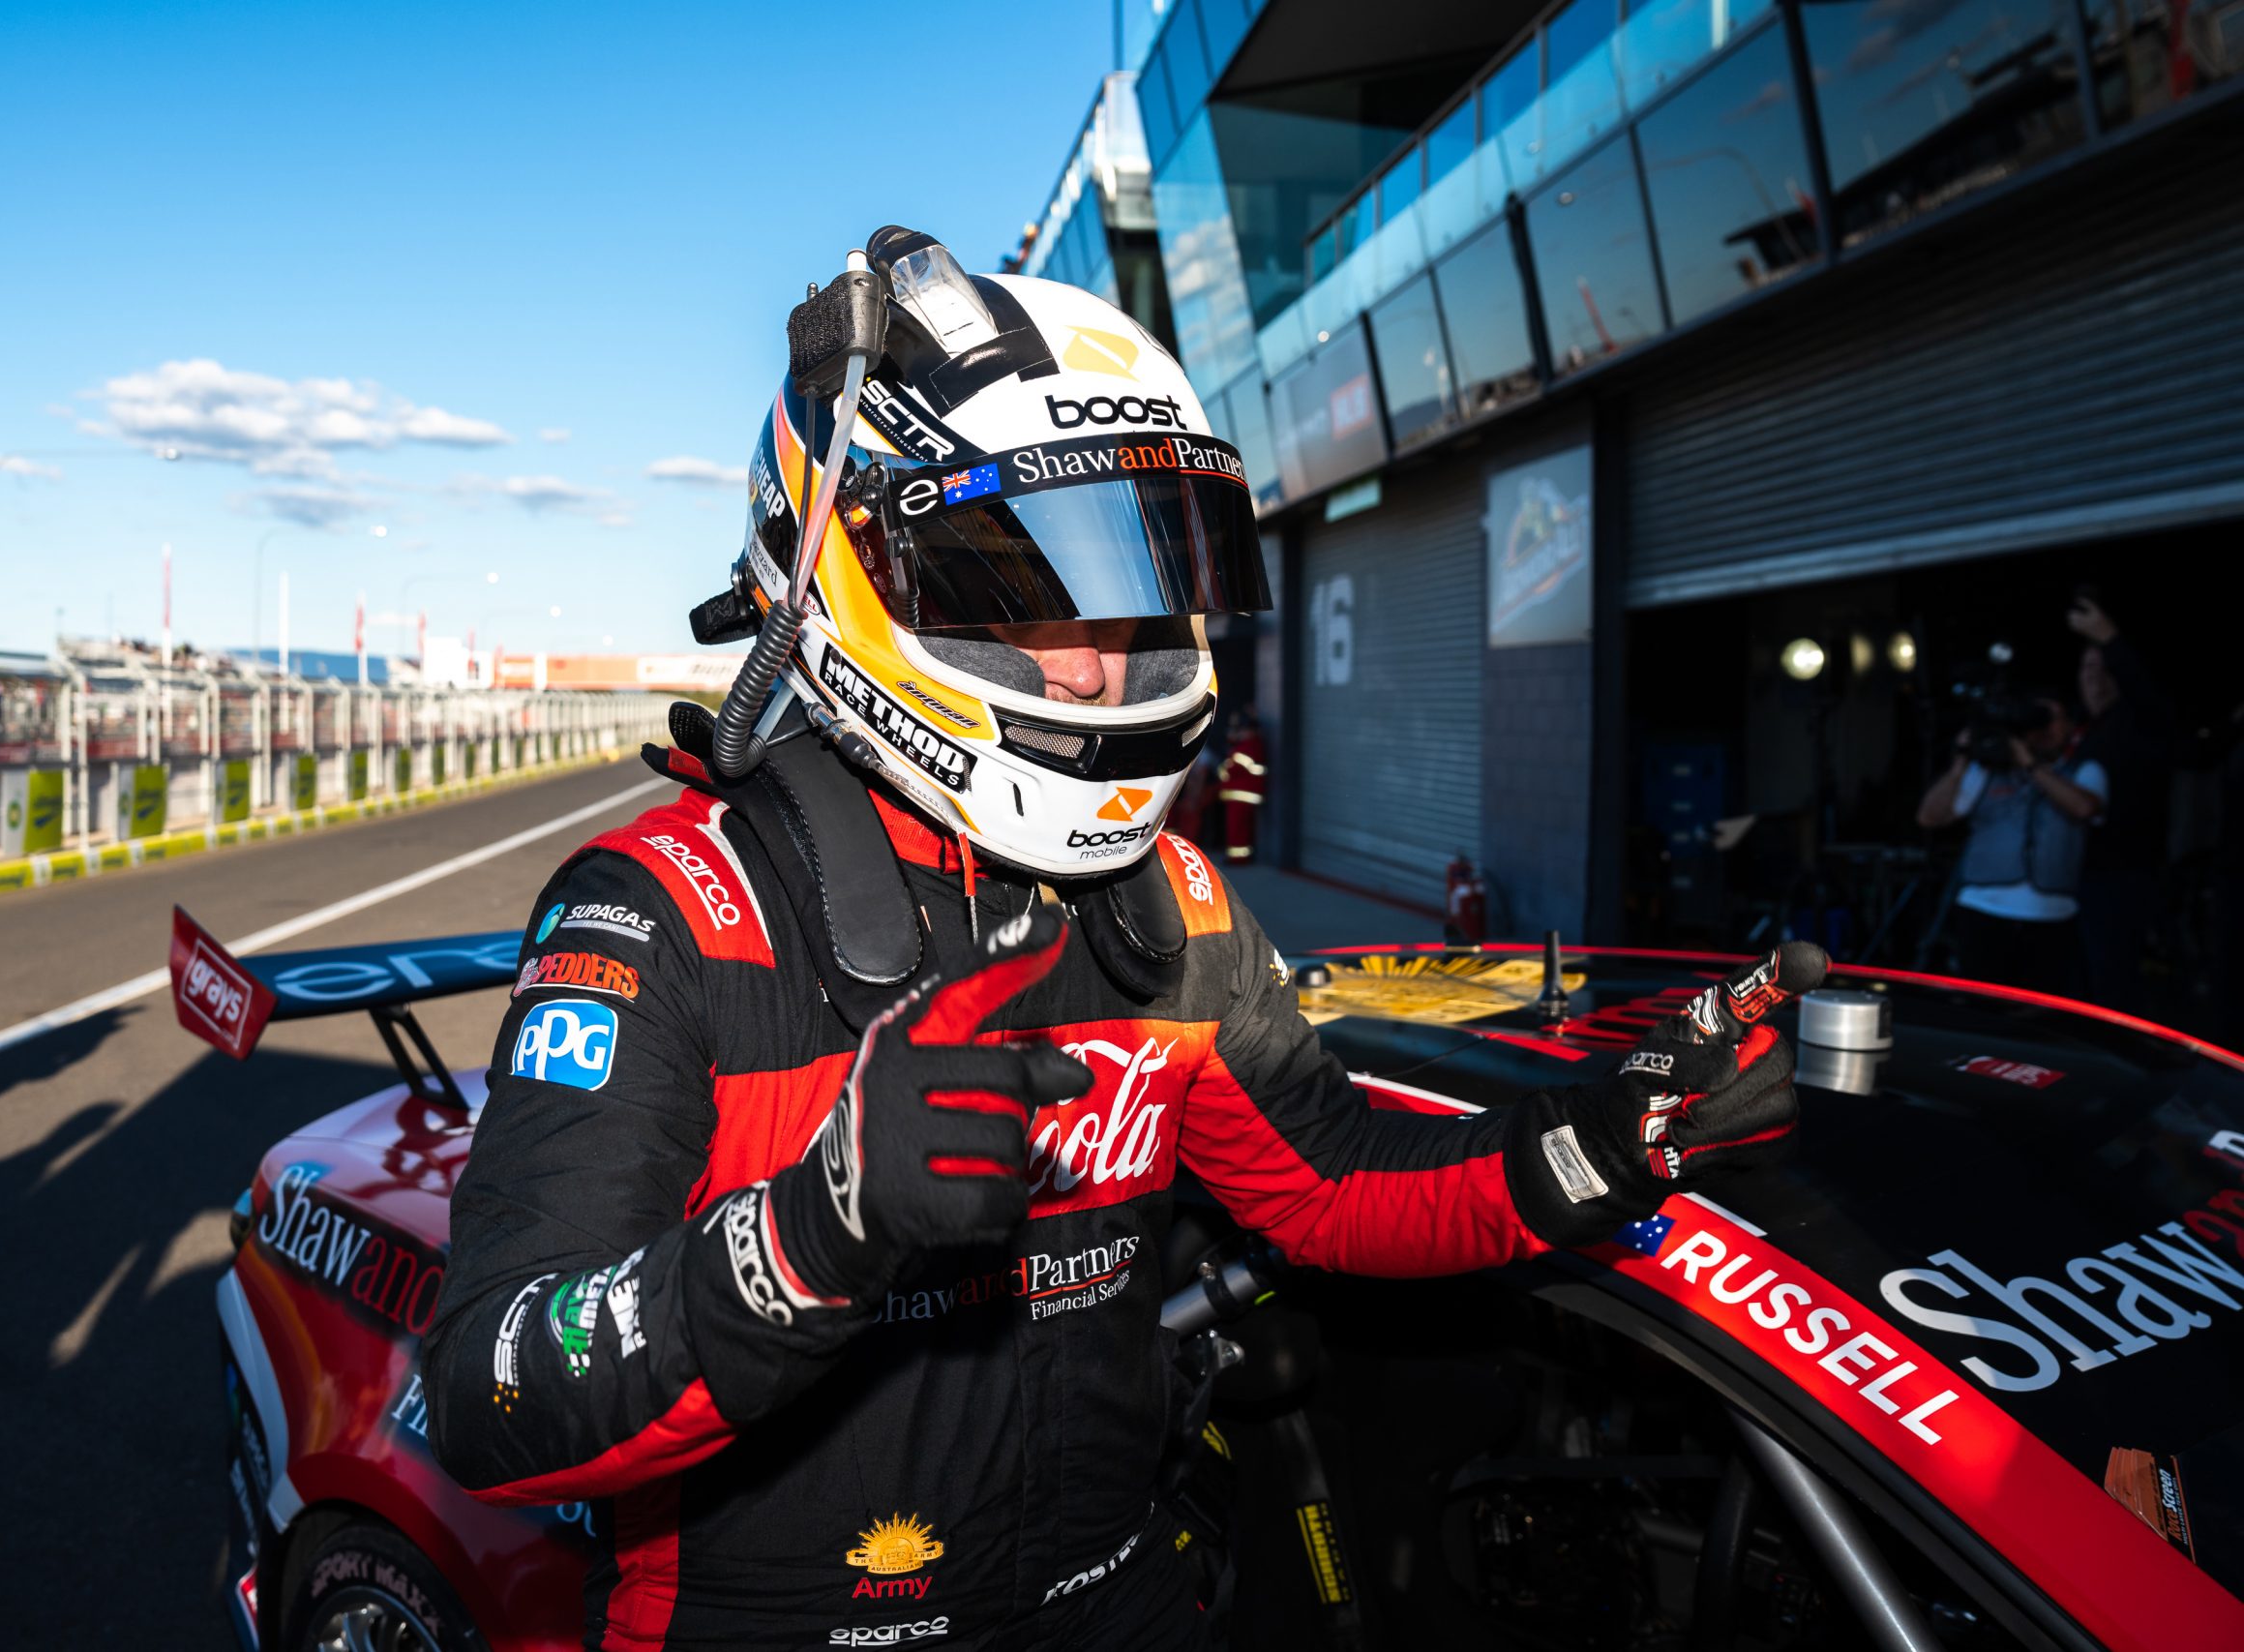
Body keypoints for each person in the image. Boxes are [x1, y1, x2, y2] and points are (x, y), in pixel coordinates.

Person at [418, 229, 1823, 1652]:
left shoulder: (1174, 900)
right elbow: (488, 1393)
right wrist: (810, 1232)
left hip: (1118, 1593)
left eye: (1131, 587)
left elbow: (1334, 1183)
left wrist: (1606, 1135)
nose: (1096, 667)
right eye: (1018, 590)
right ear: (842, 575)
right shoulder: (666, 912)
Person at [1916, 691, 2106, 996]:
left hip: (2053, 916)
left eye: (2052, 719)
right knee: (1981, 1008)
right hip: (1983, 909)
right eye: (2037, 718)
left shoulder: (2083, 771)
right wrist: (1960, 763)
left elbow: (2085, 808)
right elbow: (1930, 817)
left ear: (2070, 725)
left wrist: (2029, 765)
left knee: (2045, 1012)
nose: (2044, 729)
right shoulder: (1986, 772)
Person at [2067, 594, 2172, 1011]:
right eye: (2087, 668)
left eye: (2103, 668)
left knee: (2115, 986)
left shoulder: (2134, 724)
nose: (2094, 678)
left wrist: (2109, 638)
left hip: (2123, 876)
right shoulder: (2084, 731)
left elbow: (2146, 695)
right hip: (2079, 877)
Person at [1213, 710, 1266, 864]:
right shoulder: (1249, 745)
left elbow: (1233, 769)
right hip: (1243, 795)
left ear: (1250, 731)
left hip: (1241, 795)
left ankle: (1237, 858)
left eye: (1243, 730)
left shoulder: (1248, 746)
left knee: (1237, 828)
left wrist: (1225, 768)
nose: (1240, 733)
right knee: (1241, 828)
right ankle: (1240, 856)